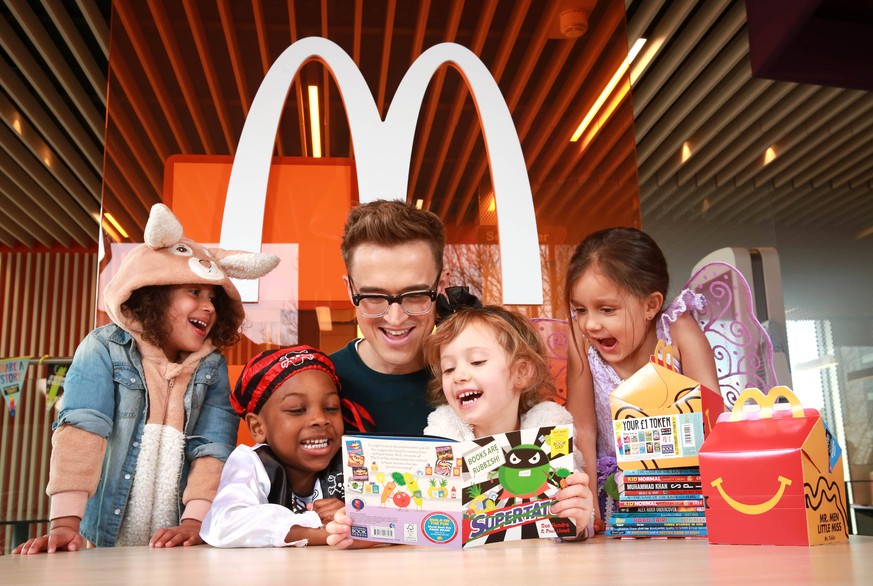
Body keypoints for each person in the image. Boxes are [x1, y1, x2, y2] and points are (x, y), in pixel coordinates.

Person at [13, 203, 279, 554]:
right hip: (99, 539)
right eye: (195, 292)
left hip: (174, 544)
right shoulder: (104, 348)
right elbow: (82, 431)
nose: (210, 306)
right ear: (154, 290)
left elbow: (213, 447)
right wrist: (65, 524)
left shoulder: (211, 367)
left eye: (213, 297)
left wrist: (194, 523)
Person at [326, 304, 595, 547]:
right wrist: (360, 531)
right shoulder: (441, 439)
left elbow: (573, 525)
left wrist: (578, 521)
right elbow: (407, 526)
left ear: (521, 372)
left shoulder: (550, 436)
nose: (459, 376)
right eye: (449, 369)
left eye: (477, 361)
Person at [563, 227, 719, 531]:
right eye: (580, 309)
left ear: (651, 305)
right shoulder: (580, 342)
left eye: (607, 309)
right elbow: (582, 425)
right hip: (613, 499)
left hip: (683, 496)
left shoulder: (678, 330)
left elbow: (711, 416)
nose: (590, 324)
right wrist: (591, 504)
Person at [200, 346, 346, 548]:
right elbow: (224, 524)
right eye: (297, 410)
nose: (321, 419)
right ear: (258, 427)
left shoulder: (353, 462)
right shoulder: (251, 463)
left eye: (331, 408)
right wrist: (322, 531)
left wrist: (353, 515)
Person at [331, 199, 449, 435]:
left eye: (415, 295)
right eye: (374, 296)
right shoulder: (321, 383)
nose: (395, 319)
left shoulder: (473, 383)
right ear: (350, 290)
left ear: (442, 284)